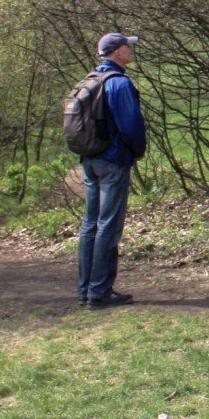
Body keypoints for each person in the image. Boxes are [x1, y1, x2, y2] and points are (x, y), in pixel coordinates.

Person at [78, 31, 147, 306]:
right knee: (108, 225)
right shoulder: (118, 83)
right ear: (117, 52)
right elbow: (131, 126)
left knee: (90, 225)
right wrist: (137, 151)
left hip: (90, 160)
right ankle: (100, 291)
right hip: (113, 161)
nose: (131, 50)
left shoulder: (89, 81)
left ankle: (86, 290)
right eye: (127, 46)